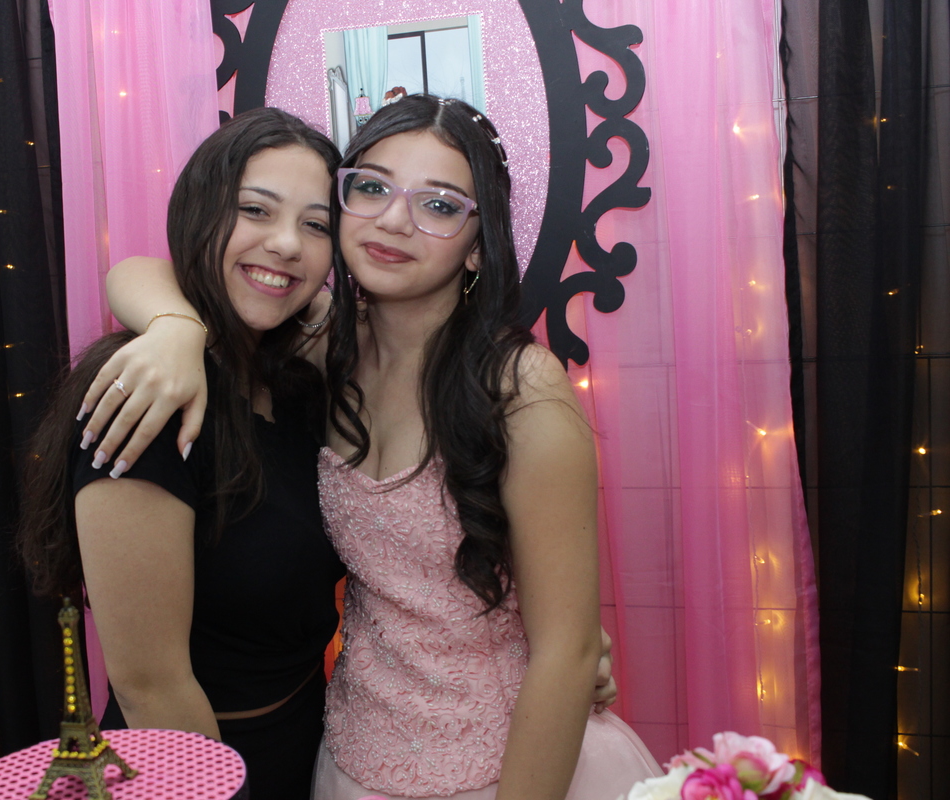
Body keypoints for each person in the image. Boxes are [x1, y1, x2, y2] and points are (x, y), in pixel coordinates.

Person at [82, 95, 657, 800]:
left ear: (479, 244)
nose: (393, 221)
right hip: (347, 756)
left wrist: (566, 648)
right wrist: (174, 326)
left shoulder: (520, 388)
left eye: (439, 205)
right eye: (373, 189)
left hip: (506, 763)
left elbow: (566, 648)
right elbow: (145, 269)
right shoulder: (321, 350)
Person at [17, 107, 347, 800]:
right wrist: (172, 328)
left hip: (316, 746)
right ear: (201, 214)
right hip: (198, 763)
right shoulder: (149, 396)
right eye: (255, 210)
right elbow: (150, 686)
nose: (288, 244)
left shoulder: (294, 381)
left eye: (317, 225)